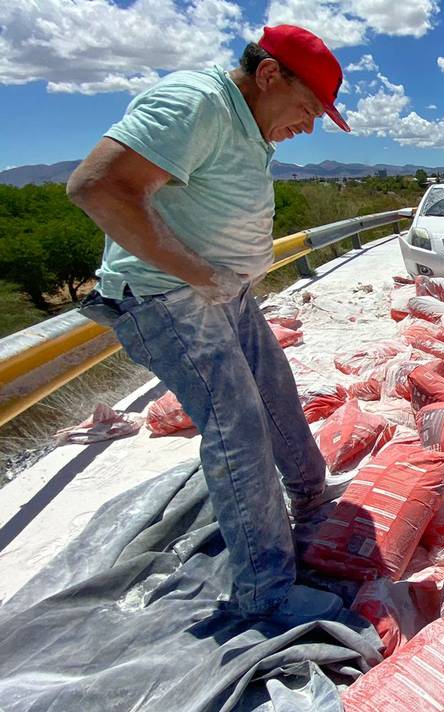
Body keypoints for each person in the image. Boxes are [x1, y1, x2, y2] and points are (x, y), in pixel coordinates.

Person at [67, 25, 352, 618]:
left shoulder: (249, 123)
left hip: (223, 292)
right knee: (238, 429)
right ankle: (265, 592)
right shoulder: (196, 101)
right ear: (270, 74)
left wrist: (228, 273)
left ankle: (308, 498)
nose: (308, 126)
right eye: (306, 108)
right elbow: (97, 186)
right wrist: (198, 272)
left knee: (276, 394)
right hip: (169, 298)